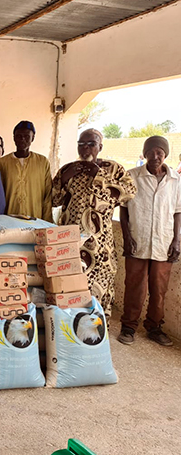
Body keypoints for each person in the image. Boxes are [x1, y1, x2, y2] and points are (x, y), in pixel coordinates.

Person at [52, 128, 136, 317]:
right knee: (68, 283)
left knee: (100, 282)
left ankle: (97, 329)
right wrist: (64, 179)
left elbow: (129, 193)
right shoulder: (68, 169)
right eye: (81, 144)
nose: (85, 148)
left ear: (100, 146)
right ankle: (69, 326)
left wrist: (99, 176)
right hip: (69, 239)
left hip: (100, 242)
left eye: (91, 144)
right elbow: (52, 200)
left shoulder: (113, 169)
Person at [119, 136, 179, 347]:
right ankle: (128, 326)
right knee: (134, 286)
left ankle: (154, 327)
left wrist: (176, 241)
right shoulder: (132, 176)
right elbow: (124, 210)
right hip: (138, 239)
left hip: (164, 241)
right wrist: (127, 238)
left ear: (165, 155)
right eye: (151, 152)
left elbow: (178, 212)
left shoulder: (175, 180)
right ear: (144, 154)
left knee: (159, 288)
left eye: (160, 153)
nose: (155, 157)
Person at [0, 121, 52, 222]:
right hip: (9, 220)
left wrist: (47, 223)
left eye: (27, 136)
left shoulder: (42, 162)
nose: (22, 139)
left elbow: (47, 196)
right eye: (19, 136)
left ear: (33, 138)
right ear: (14, 138)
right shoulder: (2, 163)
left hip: (35, 220)